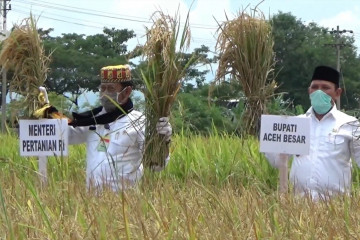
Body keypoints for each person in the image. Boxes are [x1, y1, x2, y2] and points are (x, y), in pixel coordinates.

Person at [67, 64, 172, 192]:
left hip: (124, 203)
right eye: (103, 88)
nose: (105, 94)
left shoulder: (139, 123)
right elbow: (65, 135)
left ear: (127, 91)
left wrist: (163, 141)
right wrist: (45, 111)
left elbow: (156, 166)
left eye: (111, 89)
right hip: (92, 203)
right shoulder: (92, 120)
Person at [265, 65, 360, 199]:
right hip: (299, 207)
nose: (319, 92)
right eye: (315, 87)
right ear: (309, 91)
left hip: (336, 207)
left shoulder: (349, 124)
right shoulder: (296, 124)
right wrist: (266, 134)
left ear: (337, 93)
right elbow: (277, 162)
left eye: (325, 88)